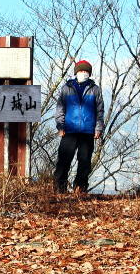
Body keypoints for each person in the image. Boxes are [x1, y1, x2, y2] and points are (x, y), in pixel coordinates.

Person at [53, 59, 105, 194]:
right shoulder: (67, 88)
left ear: (89, 73)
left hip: (88, 131)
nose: (83, 73)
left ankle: (80, 189)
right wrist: (60, 126)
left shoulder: (95, 89)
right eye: (81, 71)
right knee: (63, 160)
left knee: (84, 162)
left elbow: (100, 111)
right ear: (76, 72)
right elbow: (60, 109)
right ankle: (59, 188)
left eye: (86, 71)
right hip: (69, 130)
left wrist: (98, 128)